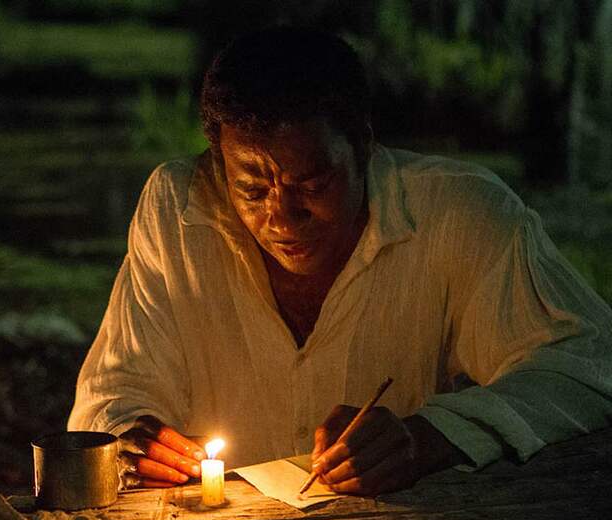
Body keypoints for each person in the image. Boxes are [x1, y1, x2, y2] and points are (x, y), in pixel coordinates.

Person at [67, 27, 612, 496]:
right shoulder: (176, 211)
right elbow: (112, 393)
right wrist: (129, 439)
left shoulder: (459, 216)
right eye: (253, 189)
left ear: (364, 146)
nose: (282, 217)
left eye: (312, 183)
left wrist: (433, 436)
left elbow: (587, 367)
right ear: (218, 162)